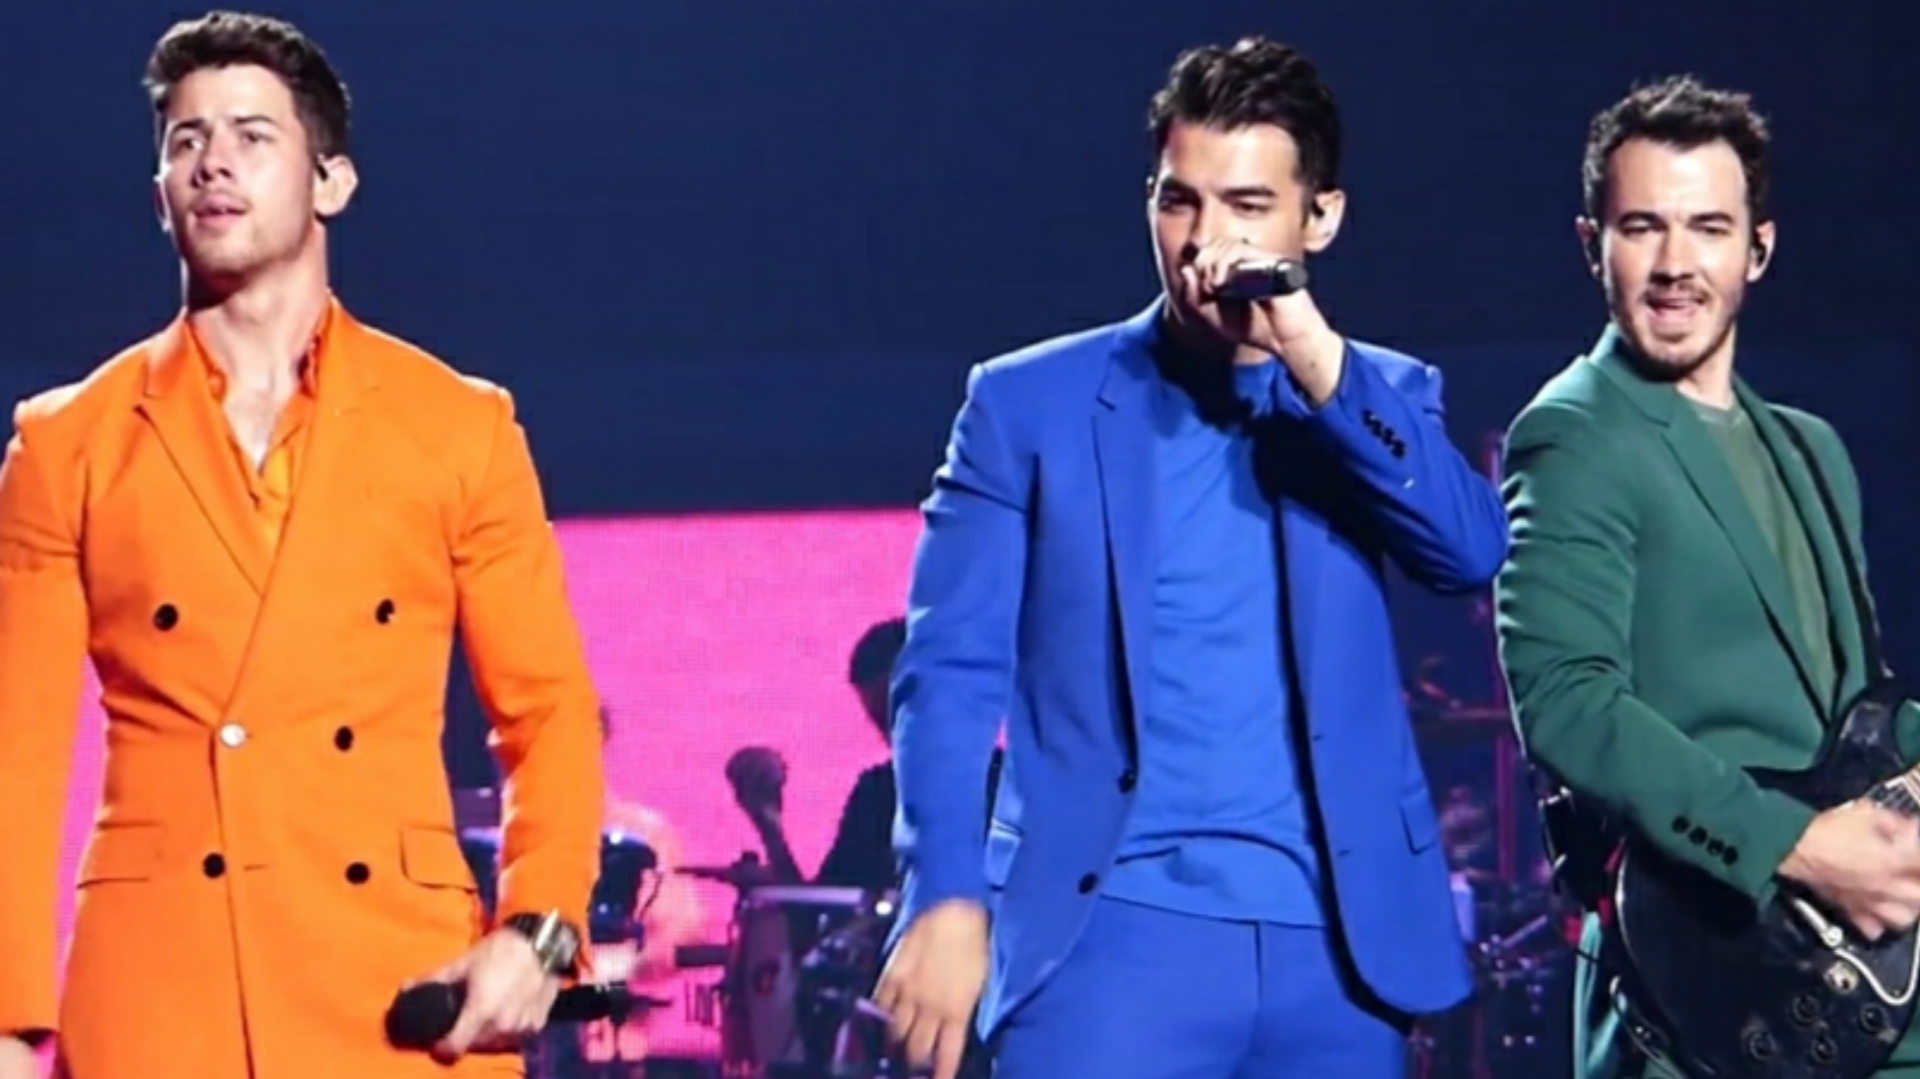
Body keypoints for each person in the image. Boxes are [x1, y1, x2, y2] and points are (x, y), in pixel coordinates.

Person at [873, 36, 1508, 1079]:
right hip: (1105, 938)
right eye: (1180, 201)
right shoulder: (1026, 403)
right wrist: (944, 890)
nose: (1206, 242)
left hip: (1338, 950)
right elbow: (946, 670)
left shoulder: (1380, 394)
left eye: (1248, 205)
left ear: (1319, 219)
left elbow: (1468, 549)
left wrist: (1310, 353)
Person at [0, 12, 605, 1079]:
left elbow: (547, 710)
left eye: (251, 134)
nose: (213, 162)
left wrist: (540, 930)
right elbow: (15, 748)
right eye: (186, 141)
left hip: (399, 986)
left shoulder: (457, 424)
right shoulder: (68, 441)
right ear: (159, 197)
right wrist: (8, 1019)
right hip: (162, 986)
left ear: (332, 183)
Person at [1493, 76, 1920, 1079]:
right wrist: (1797, 845)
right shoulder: (1574, 432)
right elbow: (1565, 700)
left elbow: (1859, 714)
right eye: (1642, 226)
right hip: (1706, 992)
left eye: (1708, 227)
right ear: (1592, 242)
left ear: (1757, 248)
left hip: (1862, 975)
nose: (1676, 263)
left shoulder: (1812, 449)